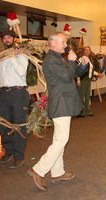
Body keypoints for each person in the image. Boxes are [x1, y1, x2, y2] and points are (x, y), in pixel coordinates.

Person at [28, 32, 88, 191]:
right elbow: (68, 77)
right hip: (60, 102)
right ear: (52, 43)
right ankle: (38, 169)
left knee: (59, 138)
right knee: (61, 139)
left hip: (64, 101)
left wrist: (81, 64)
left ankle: (57, 172)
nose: (66, 45)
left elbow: (75, 73)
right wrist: (71, 62)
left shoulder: (58, 58)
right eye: (63, 42)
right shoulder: (51, 60)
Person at [0, 30, 29, 169]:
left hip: (18, 93)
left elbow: (21, 72)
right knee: (1, 123)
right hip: (3, 94)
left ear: (14, 39)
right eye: (4, 38)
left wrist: (13, 57)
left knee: (19, 125)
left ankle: (19, 156)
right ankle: (9, 150)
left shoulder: (22, 55)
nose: (6, 40)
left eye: (9, 37)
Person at [77, 46, 102, 117]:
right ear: (83, 51)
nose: (88, 52)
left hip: (88, 79)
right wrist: (78, 80)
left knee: (88, 95)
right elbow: (77, 69)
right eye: (86, 50)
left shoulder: (90, 60)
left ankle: (87, 111)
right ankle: (79, 111)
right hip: (82, 79)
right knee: (81, 96)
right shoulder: (80, 59)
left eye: (89, 50)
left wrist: (98, 74)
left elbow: (91, 71)